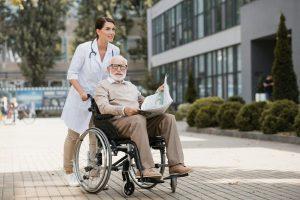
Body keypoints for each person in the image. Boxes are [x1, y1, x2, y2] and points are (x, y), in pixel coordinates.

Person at [94, 55, 192, 179]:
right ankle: (145, 168)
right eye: (115, 66)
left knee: (168, 118)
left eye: (122, 67)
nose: (119, 69)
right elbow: (103, 108)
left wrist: (158, 95)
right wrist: (124, 110)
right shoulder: (102, 86)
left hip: (138, 122)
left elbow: (144, 102)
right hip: (117, 124)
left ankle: (176, 164)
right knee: (138, 119)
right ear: (108, 69)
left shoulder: (131, 86)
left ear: (126, 69)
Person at [61, 17, 120, 186]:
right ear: (98, 31)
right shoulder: (84, 48)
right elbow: (72, 74)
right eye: (108, 29)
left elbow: (115, 74)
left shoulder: (115, 50)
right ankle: (68, 171)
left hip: (100, 100)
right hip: (81, 97)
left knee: (96, 136)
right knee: (73, 136)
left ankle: (95, 174)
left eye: (113, 29)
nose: (111, 32)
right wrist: (81, 92)